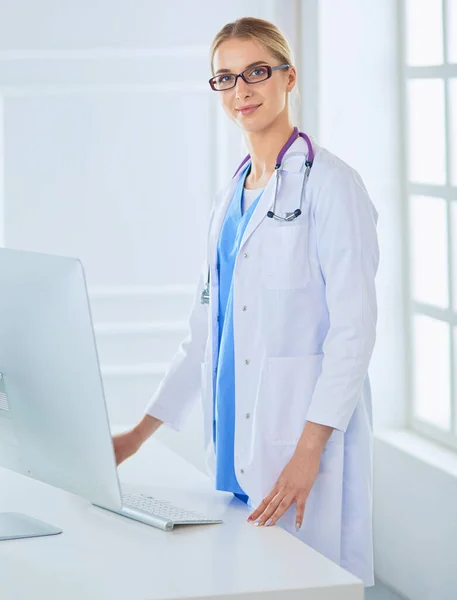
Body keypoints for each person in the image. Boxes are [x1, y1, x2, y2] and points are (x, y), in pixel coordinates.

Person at [113, 16, 379, 588]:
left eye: (256, 71)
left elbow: (353, 334)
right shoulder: (230, 195)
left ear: (289, 77)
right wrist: (135, 437)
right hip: (239, 446)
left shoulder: (332, 186)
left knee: (308, 585)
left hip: (299, 446)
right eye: (226, 78)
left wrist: (308, 454)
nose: (242, 91)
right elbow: (205, 333)